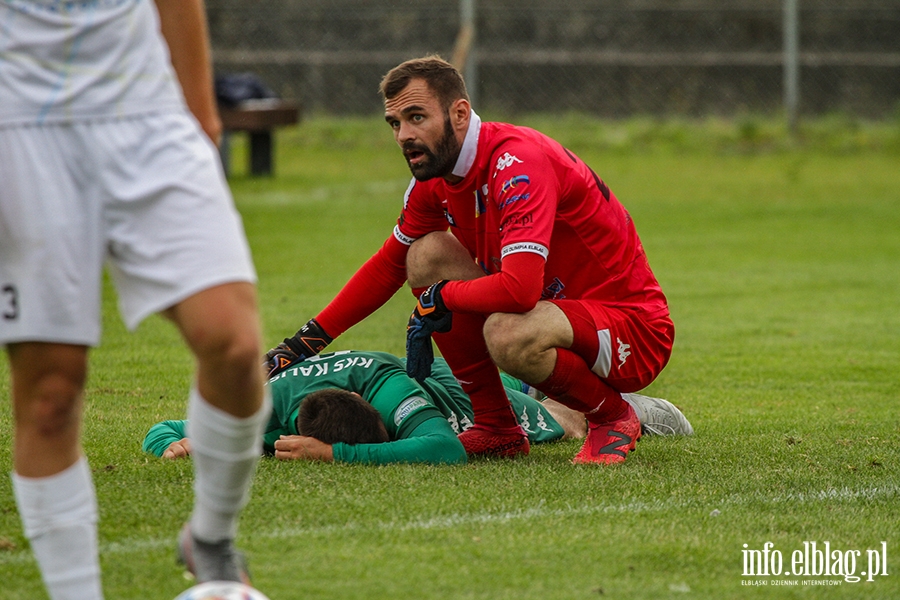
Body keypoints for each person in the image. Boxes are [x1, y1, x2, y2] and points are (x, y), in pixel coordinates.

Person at [264, 55, 675, 466]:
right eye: (395, 123)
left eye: (416, 117)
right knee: (425, 255)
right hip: (552, 320)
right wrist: (300, 344)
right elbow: (389, 265)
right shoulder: (435, 179)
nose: (404, 135)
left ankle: (614, 416)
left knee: (507, 331)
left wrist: (442, 298)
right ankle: (497, 427)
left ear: (459, 113)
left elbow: (520, 290)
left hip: (632, 330)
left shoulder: (518, 163)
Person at [0, 1, 270, 597]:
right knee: (51, 391)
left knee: (233, 341)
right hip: (19, 125)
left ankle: (211, 537)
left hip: (144, 112)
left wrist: (202, 119)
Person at [144, 351, 692, 465]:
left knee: (558, 425)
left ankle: (628, 409)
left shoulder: (384, 387)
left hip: (441, 391)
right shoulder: (260, 411)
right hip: (438, 383)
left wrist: (338, 457)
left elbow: (443, 449)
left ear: (366, 404)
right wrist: (175, 443)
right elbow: (165, 428)